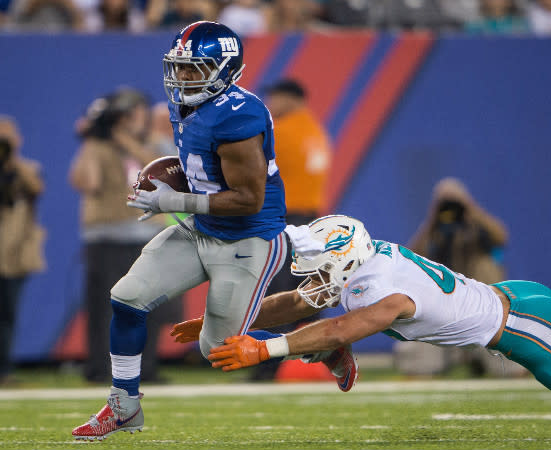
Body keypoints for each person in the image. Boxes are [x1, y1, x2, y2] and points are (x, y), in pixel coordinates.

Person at [71, 21, 352, 441]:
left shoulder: (241, 117)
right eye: (179, 67)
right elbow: (202, 170)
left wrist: (173, 201)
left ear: (226, 68)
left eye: (195, 68)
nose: (183, 77)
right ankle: (124, 406)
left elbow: (247, 199)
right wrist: (170, 183)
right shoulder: (182, 103)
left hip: (248, 236)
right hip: (202, 227)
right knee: (127, 298)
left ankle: (323, 346)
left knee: (217, 349)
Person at [192, 214, 551, 415]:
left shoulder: (384, 288)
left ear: (346, 260)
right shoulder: (361, 263)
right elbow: (299, 302)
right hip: (518, 300)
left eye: (321, 265)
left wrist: (267, 347)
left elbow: (341, 326)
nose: (313, 275)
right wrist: (231, 317)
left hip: (524, 328)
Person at [69, 88, 177, 385]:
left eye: (135, 112)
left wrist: (125, 140)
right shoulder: (99, 147)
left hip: (148, 236)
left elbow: (164, 174)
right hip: (106, 237)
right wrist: (92, 139)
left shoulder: (156, 143)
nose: (131, 119)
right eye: (124, 115)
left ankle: (148, 368)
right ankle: (100, 368)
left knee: (149, 306)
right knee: (104, 308)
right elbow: (87, 183)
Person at [246, 78, 332, 381]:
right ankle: (313, 359)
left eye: (275, 97)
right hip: (311, 222)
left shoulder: (280, 132)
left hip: (285, 219)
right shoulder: (314, 131)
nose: (271, 104)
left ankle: (268, 364)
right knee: (310, 293)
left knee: (277, 294)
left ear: (291, 99)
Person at [406, 177, 513, 376]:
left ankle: (483, 357)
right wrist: (432, 220)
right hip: (447, 300)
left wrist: (470, 208)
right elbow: (411, 255)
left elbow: (501, 237)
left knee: (486, 265)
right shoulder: (434, 229)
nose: (450, 206)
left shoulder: (476, 223)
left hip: (481, 299)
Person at [0, 115, 46, 385]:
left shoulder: (28, 167)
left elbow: (36, 188)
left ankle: (2, 370)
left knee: (7, 312)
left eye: (6, 136)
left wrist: (11, 160)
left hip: (13, 252)